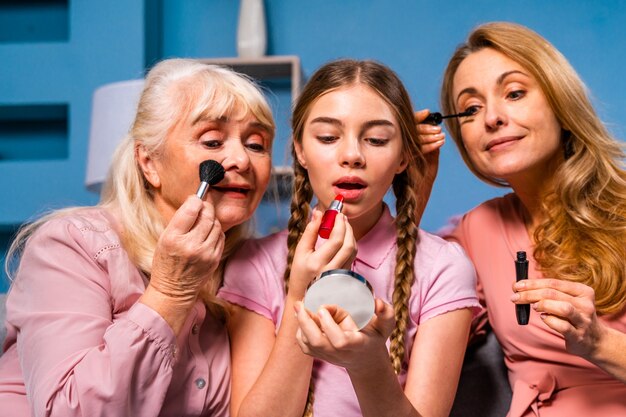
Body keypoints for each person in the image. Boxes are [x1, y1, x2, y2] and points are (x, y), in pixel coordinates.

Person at [0, 58, 275, 416]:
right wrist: (169, 293)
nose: (240, 159)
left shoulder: (251, 273)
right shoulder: (71, 245)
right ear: (149, 163)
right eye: (211, 141)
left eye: (256, 144)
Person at [219, 59, 480, 417]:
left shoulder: (444, 267)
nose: (352, 156)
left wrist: (368, 364)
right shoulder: (254, 264)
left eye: (376, 139)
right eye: (328, 137)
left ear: (404, 156)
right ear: (299, 150)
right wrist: (300, 294)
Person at [421, 21, 626, 416]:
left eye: (514, 93)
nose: (492, 118)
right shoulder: (475, 232)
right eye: (471, 108)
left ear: (561, 104)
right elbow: (399, 335)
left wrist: (599, 342)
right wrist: (412, 194)